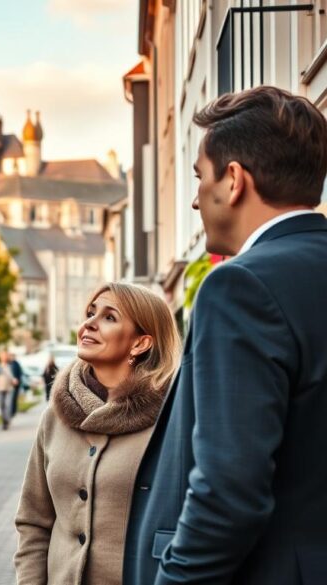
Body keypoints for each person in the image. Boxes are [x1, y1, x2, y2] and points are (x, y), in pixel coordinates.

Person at [124, 86, 327, 584]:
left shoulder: (240, 287)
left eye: (199, 177)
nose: (194, 200)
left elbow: (228, 492)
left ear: (233, 180)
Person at [15, 282, 180, 585]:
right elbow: (33, 522)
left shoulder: (173, 421)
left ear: (140, 343)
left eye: (109, 317)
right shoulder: (54, 418)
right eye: (91, 313)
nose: (89, 324)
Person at [0, 350, 19, 430]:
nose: (4, 358)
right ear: (0, 357)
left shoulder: (11, 365)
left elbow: (15, 375)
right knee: (1, 405)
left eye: (5, 356)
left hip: (9, 388)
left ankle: (6, 422)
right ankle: (5, 421)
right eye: (3, 356)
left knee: (8, 405)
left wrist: (15, 380)